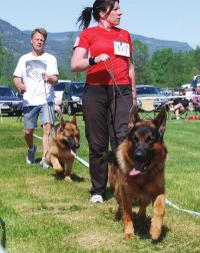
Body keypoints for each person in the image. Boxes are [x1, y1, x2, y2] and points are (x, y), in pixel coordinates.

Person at [71, 0, 136, 203]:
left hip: (121, 90)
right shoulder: (87, 35)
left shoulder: (124, 35)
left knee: (122, 138)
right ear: (102, 13)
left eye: (119, 9)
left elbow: (130, 66)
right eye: (115, 9)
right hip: (96, 92)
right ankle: (98, 190)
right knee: (98, 142)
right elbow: (75, 64)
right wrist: (94, 60)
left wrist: (133, 94)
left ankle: (126, 187)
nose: (120, 13)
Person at [13, 28, 59, 168]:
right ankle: (31, 149)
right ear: (31, 41)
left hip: (46, 99)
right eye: (37, 39)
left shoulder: (51, 59)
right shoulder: (24, 59)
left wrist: (49, 78)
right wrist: (19, 85)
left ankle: (45, 159)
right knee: (28, 132)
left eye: (42, 40)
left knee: (47, 129)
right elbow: (16, 78)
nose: (39, 42)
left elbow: (56, 79)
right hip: (29, 99)